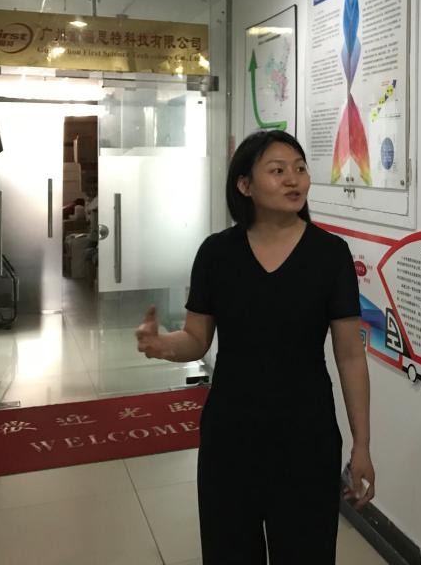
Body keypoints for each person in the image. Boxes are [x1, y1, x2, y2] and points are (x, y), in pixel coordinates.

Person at [134, 130, 375, 564]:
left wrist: (362, 444)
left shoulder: (330, 254)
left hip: (307, 438)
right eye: (278, 170)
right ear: (245, 185)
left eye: (300, 169)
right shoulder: (216, 254)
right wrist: (161, 345)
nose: (293, 179)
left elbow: (350, 356)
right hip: (231, 438)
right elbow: (196, 339)